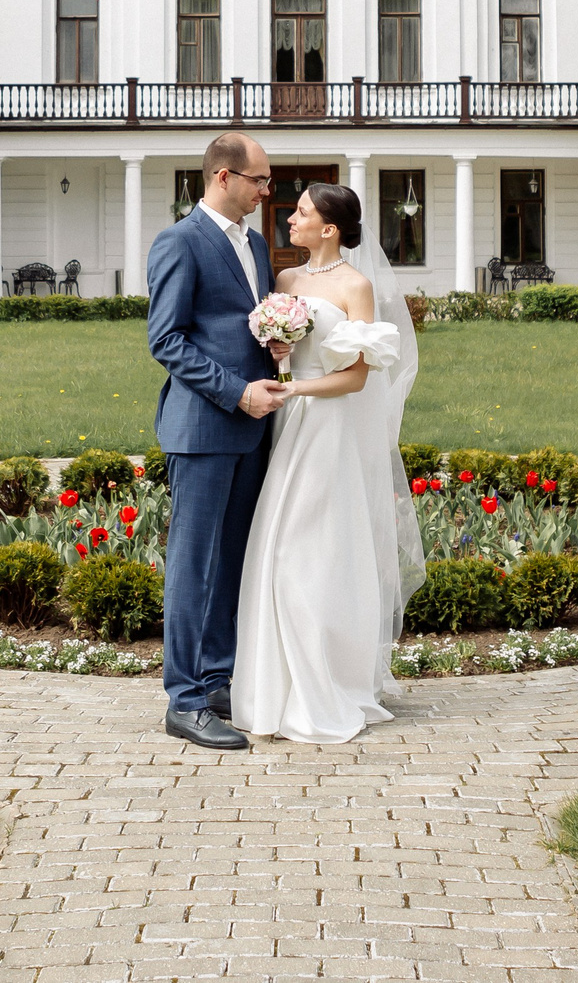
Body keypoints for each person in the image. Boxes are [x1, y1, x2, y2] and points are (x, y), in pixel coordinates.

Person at [231, 182, 425, 744]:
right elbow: (289, 354)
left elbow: (360, 375)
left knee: (314, 546)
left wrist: (298, 390)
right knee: (279, 543)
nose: (291, 218)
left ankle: (328, 682)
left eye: (303, 213)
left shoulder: (356, 286)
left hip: (331, 427)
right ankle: (275, 684)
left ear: (331, 228)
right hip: (290, 424)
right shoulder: (286, 281)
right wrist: (281, 358)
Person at [146, 131, 288, 751]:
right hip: (203, 428)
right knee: (192, 564)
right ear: (224, 178)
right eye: (259, 181)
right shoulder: (179, 242)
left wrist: (277, 347)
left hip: (253, 432)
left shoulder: (256, 244)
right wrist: (236, 392)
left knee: (232, 561)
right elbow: (167, 340)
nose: (267, 192)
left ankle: (216, 681)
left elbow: (241, 325)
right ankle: (183, 700)